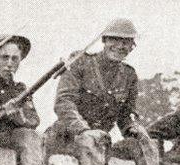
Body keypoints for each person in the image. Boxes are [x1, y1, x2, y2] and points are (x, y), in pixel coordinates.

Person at [47, 18, 150, 155]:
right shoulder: (81, 62)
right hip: (66, 138)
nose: (120, 46)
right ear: (104, 40)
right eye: (114, 39)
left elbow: (126, 115)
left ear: (132, 46)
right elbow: (64, 102)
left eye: (126, 42)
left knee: (143, 146)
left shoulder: (129, 75)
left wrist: (133, 128)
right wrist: (84, 130)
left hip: (99, 142)